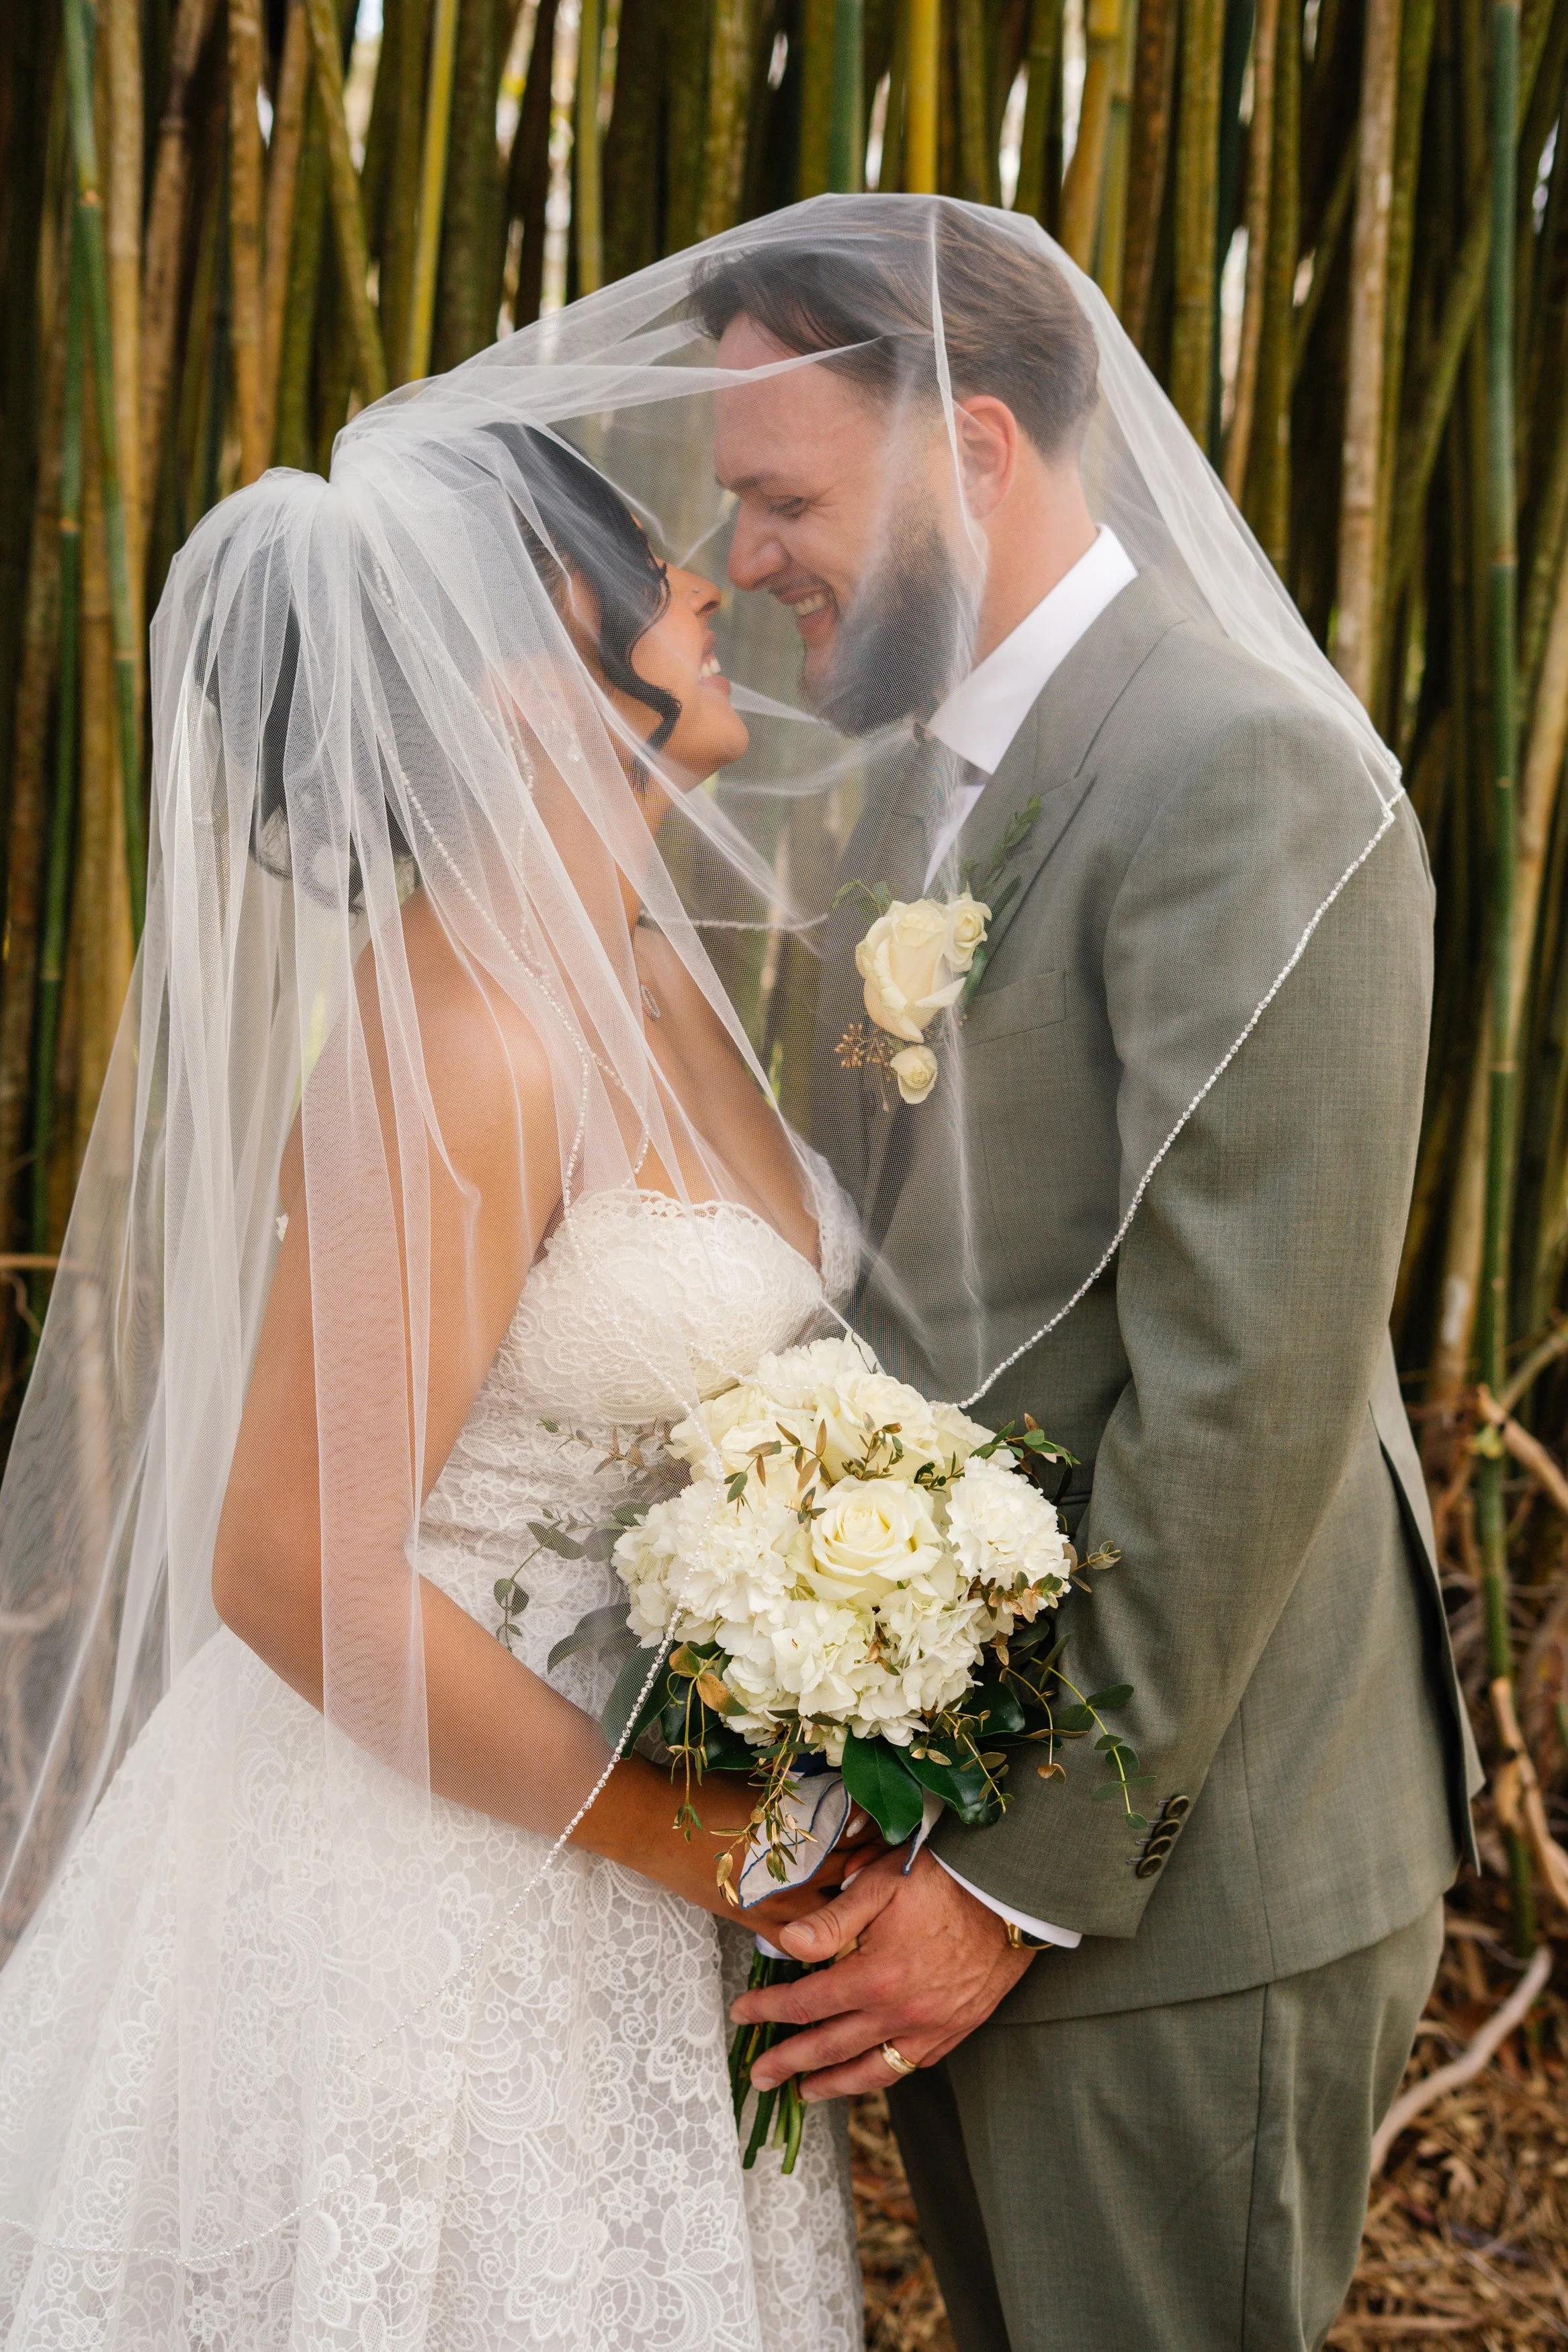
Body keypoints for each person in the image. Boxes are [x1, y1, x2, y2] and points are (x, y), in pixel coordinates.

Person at [699, 202, 1483, 2350]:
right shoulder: (920, 790)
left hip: (1172, 1863)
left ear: (966, 445)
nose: (748, 555)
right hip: (971, 1810)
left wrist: (1008, 1878)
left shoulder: (1240, 776)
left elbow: (1248, 1378)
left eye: (783, 497)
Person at [0, 422, 870, 2347]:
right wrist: (697, 1843)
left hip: (609, 1845)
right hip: (426, 1889)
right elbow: (292, 1557)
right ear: (524, 667)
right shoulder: (462, 1040)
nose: (708, 585)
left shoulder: (640, 980)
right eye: (649, 567)